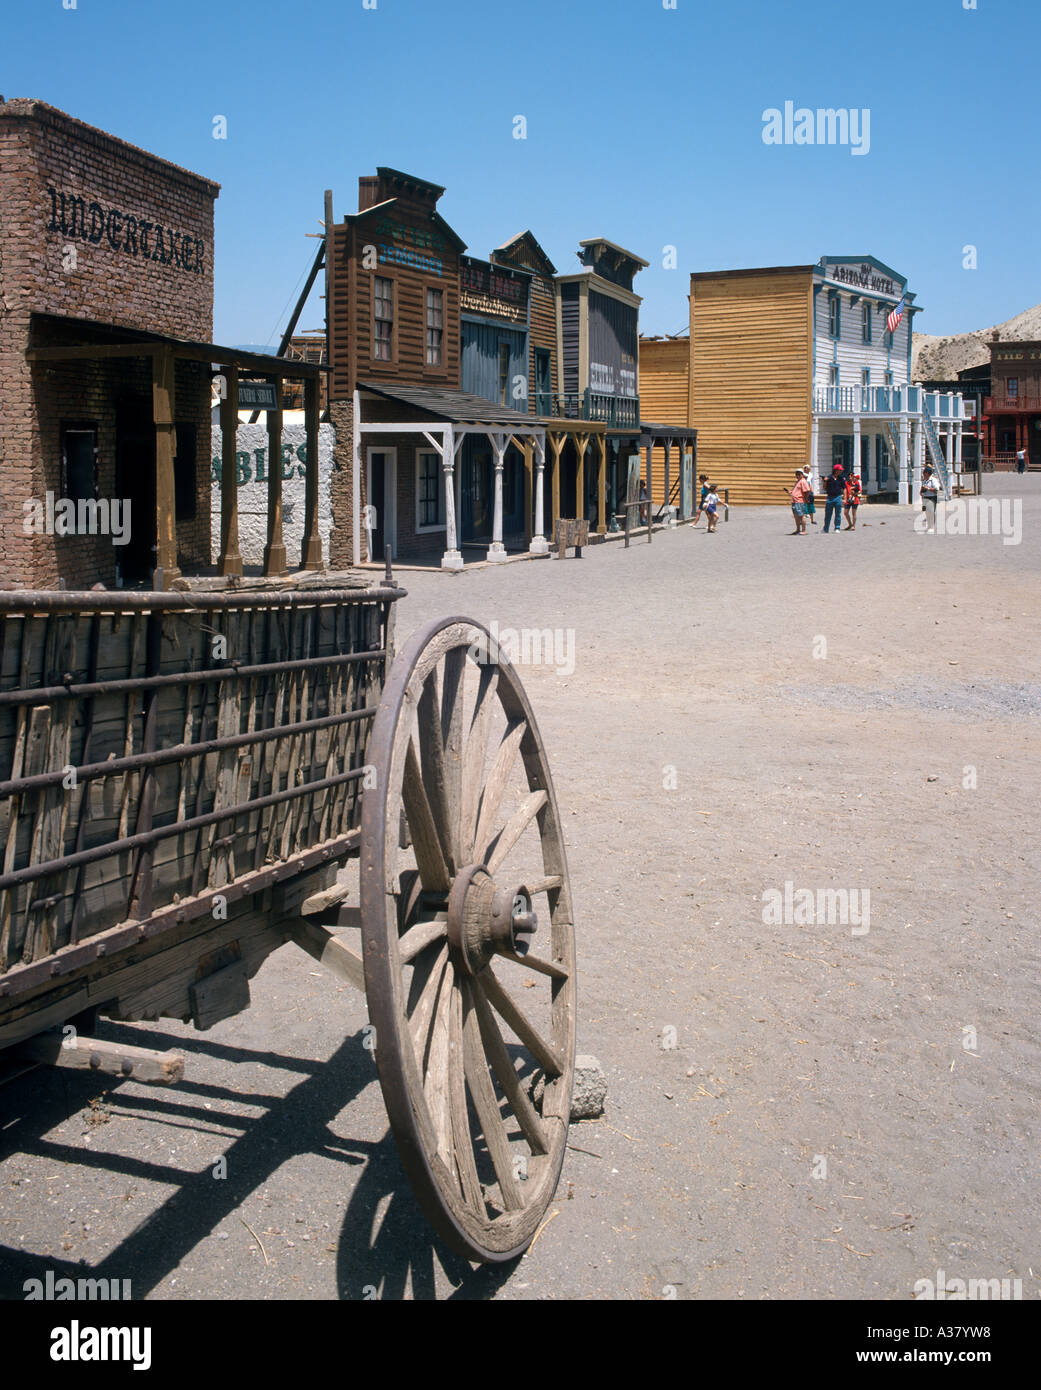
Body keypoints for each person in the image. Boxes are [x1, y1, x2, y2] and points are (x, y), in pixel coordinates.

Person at [785, 469, 810, 534]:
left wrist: (806, 499)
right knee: (796, 516)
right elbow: (796, 491)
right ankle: (798, 529)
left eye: (799, 474)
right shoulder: (797, 482)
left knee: (802, 516)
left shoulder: (803, 481)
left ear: (802, 474)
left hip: (800, 501)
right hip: (794, 501)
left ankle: (804, 530)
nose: (797, 476)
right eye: (796, 474)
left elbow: (807, 491)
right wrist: (790, 492)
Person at [823, 463, 844, 532]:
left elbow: (844, 488)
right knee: (828, 514)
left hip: (838, 497)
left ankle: (837, 527)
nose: (841, 471)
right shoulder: (829, 478)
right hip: (830, 497)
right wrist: (825, 481)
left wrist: (845, 497)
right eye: (840, 470)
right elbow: (824, 488)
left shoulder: (841, 478)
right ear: (836, 470)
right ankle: (826, 528)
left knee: (838, 514)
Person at [920, 463, 940, 530]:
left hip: (932, 497)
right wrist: (921, 492)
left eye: (924, 474)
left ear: (928, 473)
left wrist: (928, 489)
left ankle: (932, 526)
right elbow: (922, 487)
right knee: (927, 512)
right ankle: (929, 525)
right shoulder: (924, 480)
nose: (923, 475)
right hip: (925, 497)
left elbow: (936, 489)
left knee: (931, 512)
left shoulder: (933, 480)